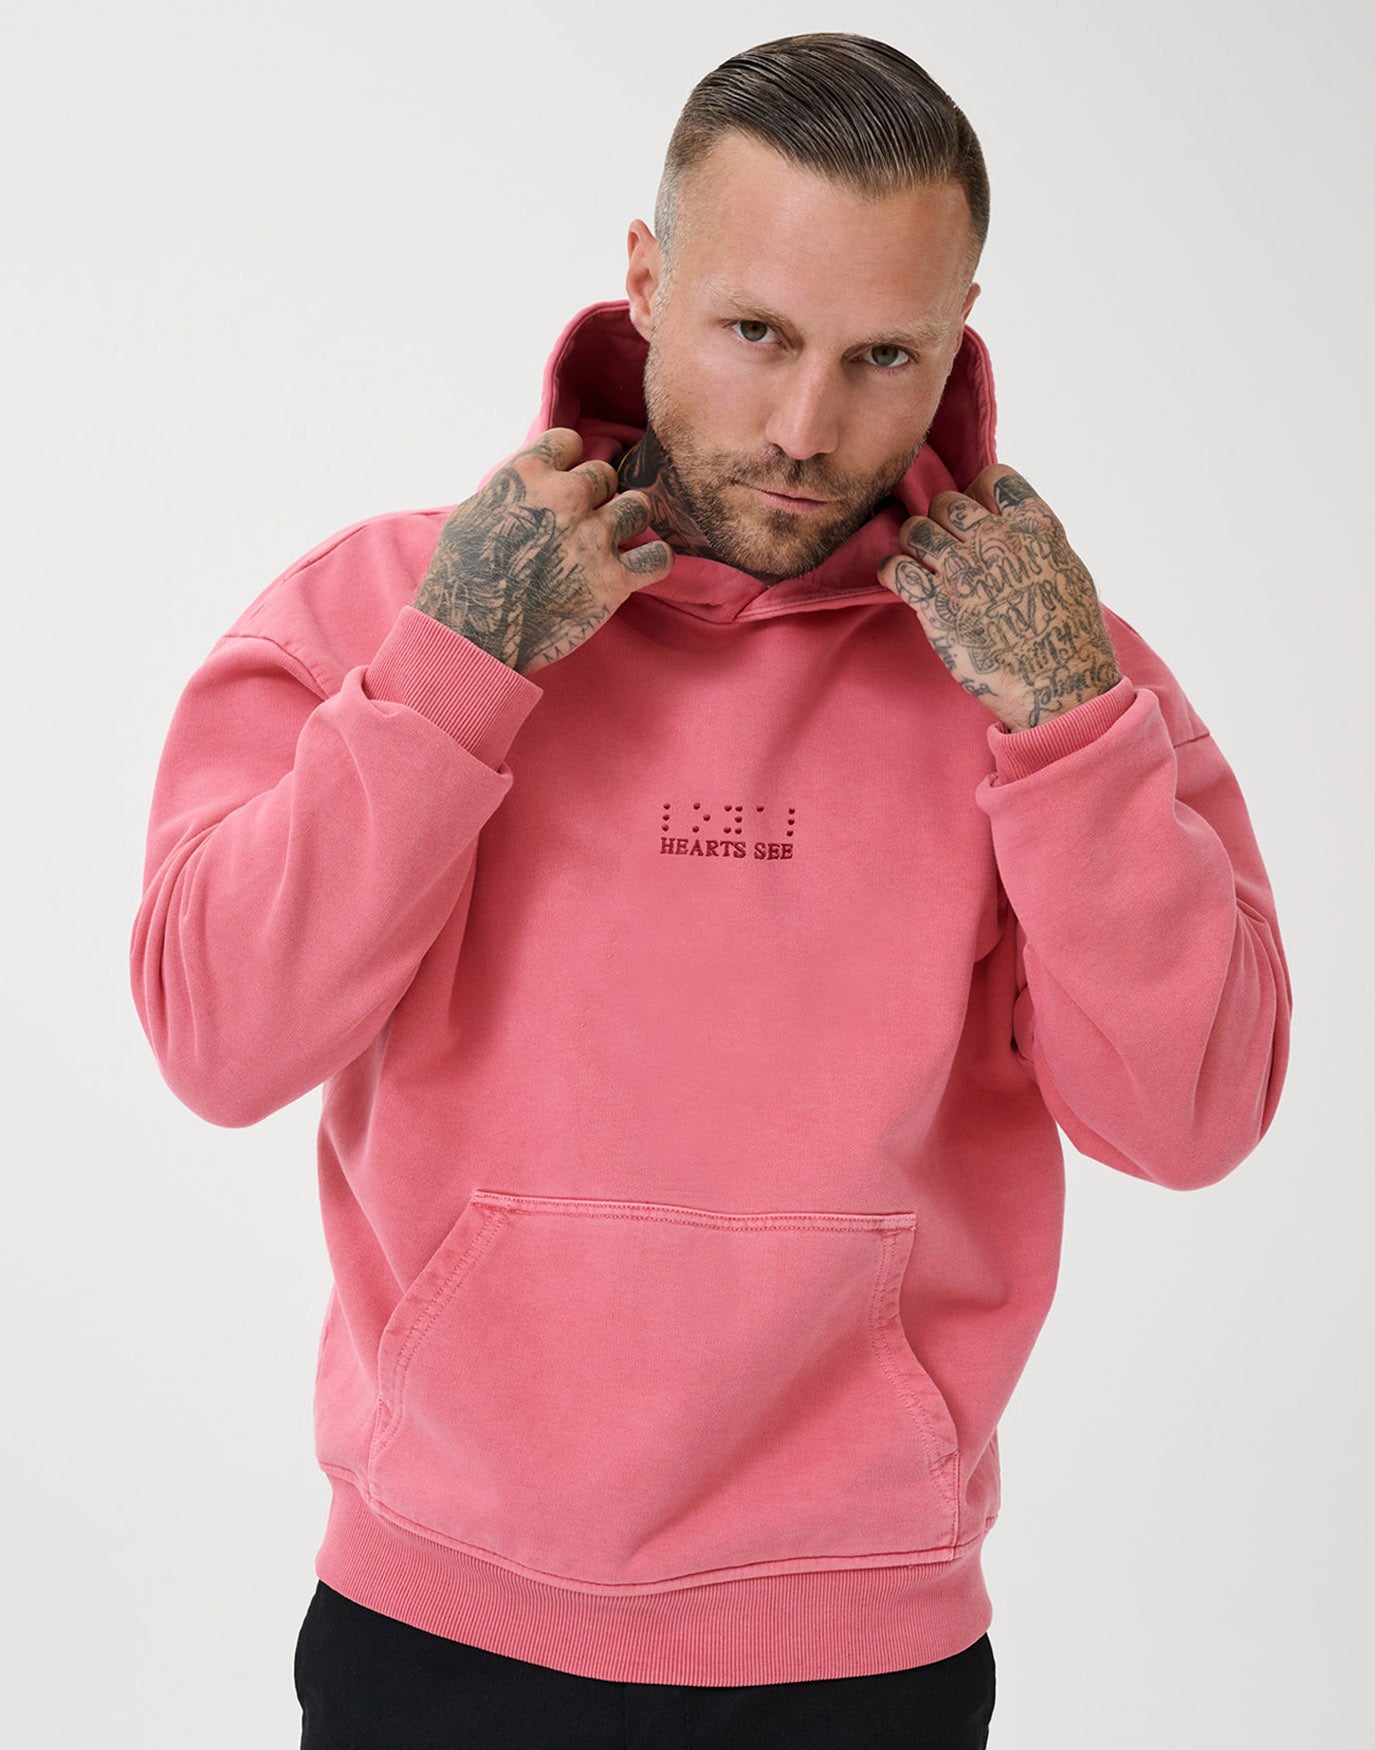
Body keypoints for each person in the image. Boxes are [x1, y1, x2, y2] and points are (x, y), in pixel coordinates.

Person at [129, 31, 1292, 1750]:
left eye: (883, 356)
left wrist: (1064, 725)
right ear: (648, 280)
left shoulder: (1047, 669)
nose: (808, 429)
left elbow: (1191, 1118)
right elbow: (218, 1042)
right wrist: (455, 671)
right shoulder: (392, 610)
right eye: (756, 332)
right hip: (436, 1617)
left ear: (959, 336)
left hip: (859, 1646)